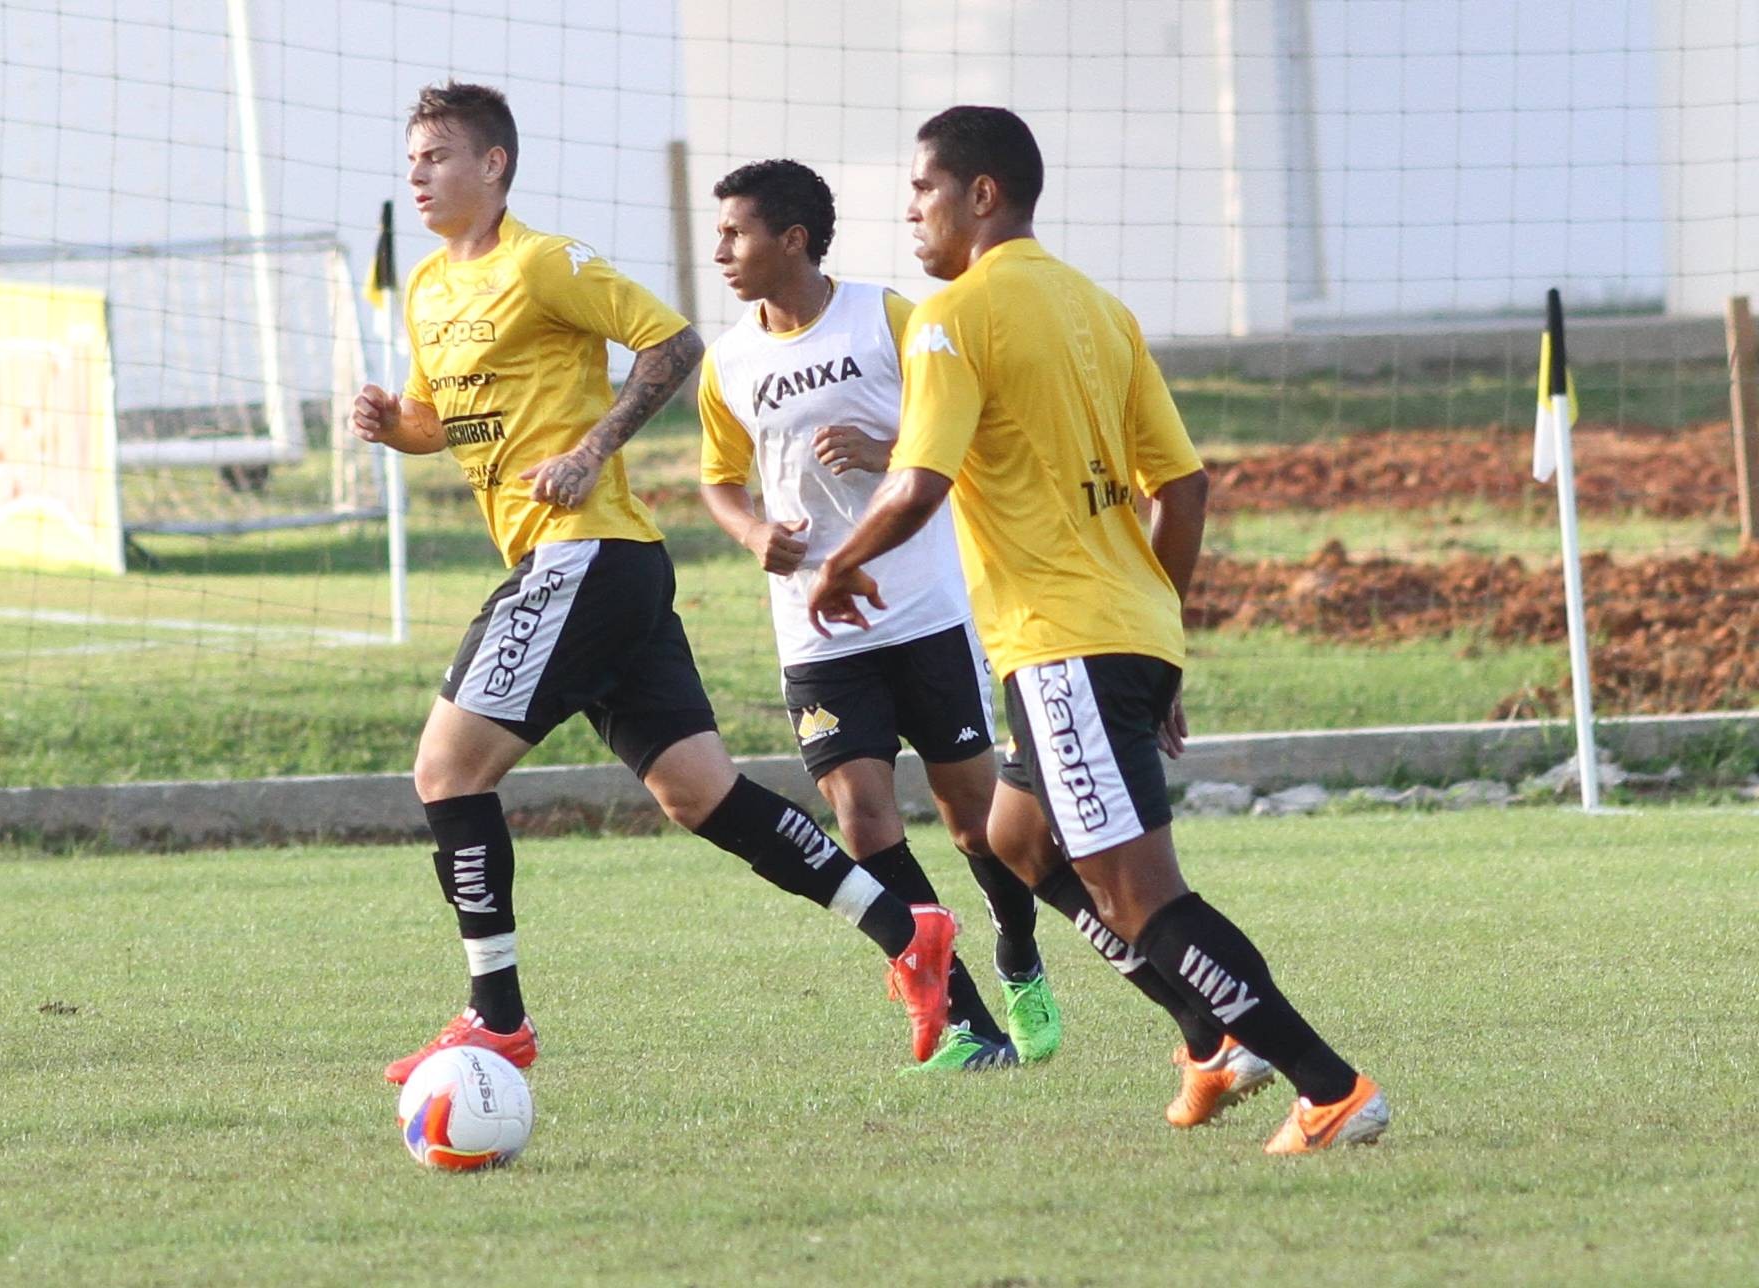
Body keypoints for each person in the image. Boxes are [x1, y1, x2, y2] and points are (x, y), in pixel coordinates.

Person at [806, 106, 1389, 1153]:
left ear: (981, 194)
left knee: (1136, 889)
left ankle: (1327, 1084)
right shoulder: (1098, 308)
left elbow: (917, 481)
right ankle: (1209, 1040)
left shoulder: (951, 316)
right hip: (1121, 628)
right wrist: (1158, 644)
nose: (909, 212)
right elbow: (1185, 488)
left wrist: (836, 564)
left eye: (921, 190)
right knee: (1014, 837)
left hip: (1062, 641)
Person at [351, 82, 959, 1084]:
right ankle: (906, 930)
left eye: (438, 156)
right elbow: (438, 421)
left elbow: (671, 341)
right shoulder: (426, 289)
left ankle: (494, 1017)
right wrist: (392, 421)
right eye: (412, 157)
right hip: (599, 572)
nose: (417, 173)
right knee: (699, 793)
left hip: (584, 552)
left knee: (446, 773)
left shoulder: (542, 262)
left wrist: (592, 448)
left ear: (493, 166)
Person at [696, 159, 1061, 1072]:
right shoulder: (731, 360)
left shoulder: (891, 317)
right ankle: (969, 1023)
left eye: (736, 233)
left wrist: (885, 445)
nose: (720, 252)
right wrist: (752, 534)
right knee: (863, 823)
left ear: (793, 239)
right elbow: (717, 478)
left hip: (925, 611)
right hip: (815, 629)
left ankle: (1017, 953)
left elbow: (972, 432)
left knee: (978, 823)